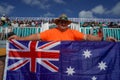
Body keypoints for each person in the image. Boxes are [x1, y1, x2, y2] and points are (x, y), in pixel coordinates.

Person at [8, 14, 117, 41]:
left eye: (65, 22)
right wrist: (19, 39)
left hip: (69, 63)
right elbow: (36, 36)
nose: (63, 23)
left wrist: (103, 39)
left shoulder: (73, 32)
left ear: (68, 23)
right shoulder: (50, 32)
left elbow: (87, 36)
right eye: (61, 22)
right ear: (58, 22)